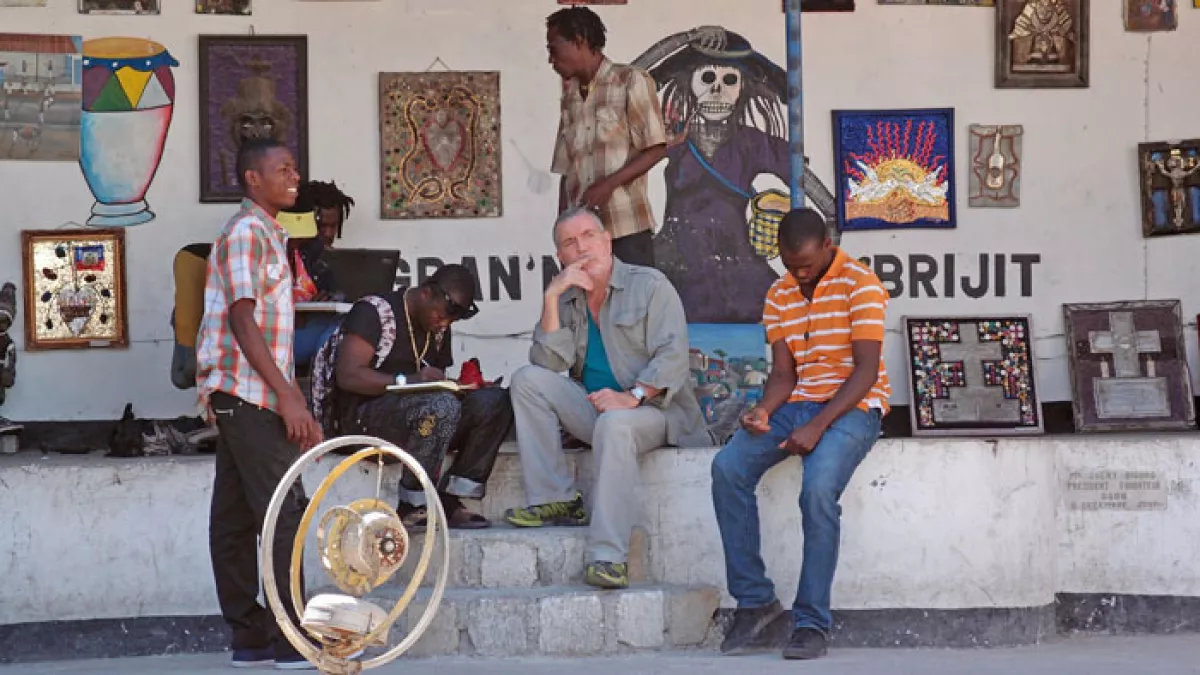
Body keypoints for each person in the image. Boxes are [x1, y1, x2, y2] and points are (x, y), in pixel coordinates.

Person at [710, 208, 890, 661]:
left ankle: (811, 623)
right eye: (791, 266)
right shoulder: (779, 292)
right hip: (796, 404)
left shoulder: (862, 284)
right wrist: (763, 411)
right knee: (728, 468)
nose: (800, 274)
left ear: (828, 245)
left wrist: (817, 425)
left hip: (853, 408)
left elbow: (866, 371)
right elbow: (784, 375)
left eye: (807, 265)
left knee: (817, 491)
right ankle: (756, 603)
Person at [503, 207, 708, 590]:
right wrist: (551, 297)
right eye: (569, 243)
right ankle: (556, 498)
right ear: (560, 257)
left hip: (656, 411)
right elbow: (548, 364)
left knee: (615, 423)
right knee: (527, 380)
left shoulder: (649, 285)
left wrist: (633, 396)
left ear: (607, 241)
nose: (581, 248)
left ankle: (608, 556)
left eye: (589, 236)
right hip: (601, 411)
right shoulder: (568, 299)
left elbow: (674, 356)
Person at [195, 137, 323, 671]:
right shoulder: (247, 232)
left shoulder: (271, 232)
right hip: (248, 393)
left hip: (248, 393)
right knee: (282, 510)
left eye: (294, 168)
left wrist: (291, 395)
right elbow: (242, 318)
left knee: (233, 516)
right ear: (253, 178)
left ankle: (249, 638)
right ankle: (292, 637)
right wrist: (288, 396)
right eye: (283, 169)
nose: (295, 177)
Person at [308, 264, 513, 529]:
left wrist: (460, 387)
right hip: (362, 421)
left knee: (494, 401)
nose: (444, 324)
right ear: (426, 293)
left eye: (450, 322)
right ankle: (413, 504)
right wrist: (409, 380)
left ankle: (450, 499)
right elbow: (348, 375)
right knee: (440, 405)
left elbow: (433, 384)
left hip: (422, 420)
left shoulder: (438, 328)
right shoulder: (374, 312)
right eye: (441, 316)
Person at [546, 6, 669, 268]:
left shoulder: (630, 81)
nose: (550, 60)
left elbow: (656, 149)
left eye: (553, 49)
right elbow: (567, 172)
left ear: (579, 41)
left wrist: (608, 185)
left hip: (626, 229)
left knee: (634, 295)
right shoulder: (569, 97)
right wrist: (562, 231)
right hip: (582, 238)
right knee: (584, 296)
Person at [278, 182, 343, 367]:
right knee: (342, 332)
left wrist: (333, 298)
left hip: (312, 331)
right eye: (321, 226)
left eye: (334, 226)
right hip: (283, 337)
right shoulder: (278, 253)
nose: (328, 233)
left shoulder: (323, 262)